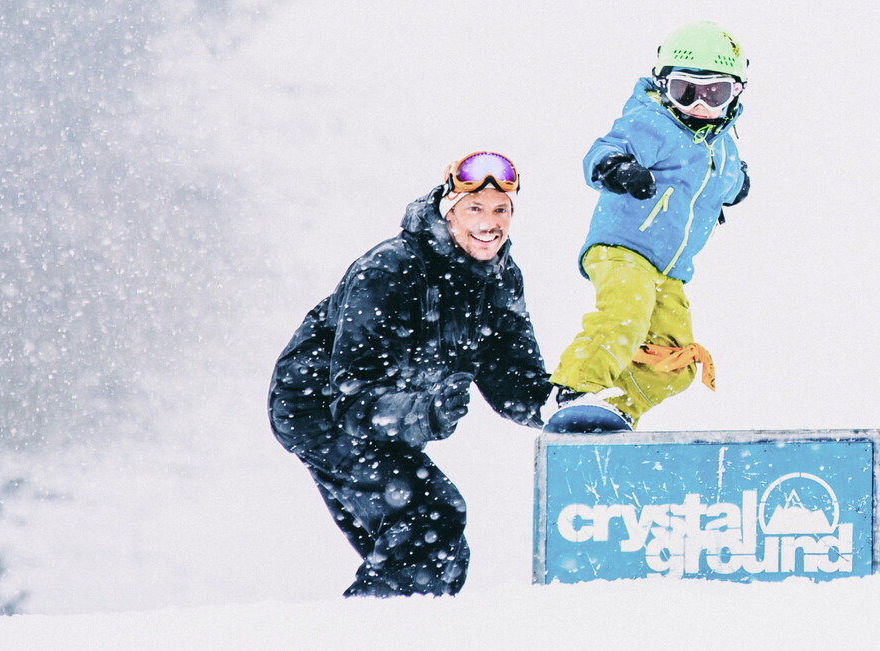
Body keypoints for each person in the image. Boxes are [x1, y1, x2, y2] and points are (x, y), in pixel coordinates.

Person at [267, 151, 552, 597]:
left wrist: (568, 404)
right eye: (474, 209)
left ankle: (405, 629)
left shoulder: (500, 278)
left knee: (441, 553)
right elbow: (352, 394)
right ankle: (376, 630)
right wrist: (426, 411)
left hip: (391, 417)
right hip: (318, 409)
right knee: (430, 514)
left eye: (501, 210)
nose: (489, 222)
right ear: (448, 211)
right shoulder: (390, 269)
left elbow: (514, 380)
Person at [548, 20, 753, 430]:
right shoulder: (653, 123)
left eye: (715, 94)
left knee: (674, 360)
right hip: (623, 248)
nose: (699, 105)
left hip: (670, 272)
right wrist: (618, 168)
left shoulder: (725, 148)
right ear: (663, 87)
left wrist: (737, 185)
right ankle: (574, 391)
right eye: (685, 91)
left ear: (736, 93)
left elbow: (721, 182)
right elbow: (604, 151)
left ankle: (616, 409)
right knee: (625, 313)